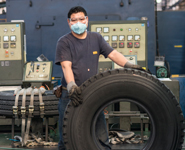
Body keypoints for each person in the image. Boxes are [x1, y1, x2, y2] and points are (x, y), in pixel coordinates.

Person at [55, 6, 144, 150]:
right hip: (70, 94)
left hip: (92, 92)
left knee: (101, 136)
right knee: (67, 138)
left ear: (87, 20)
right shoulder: (64, 42)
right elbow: (66, 66)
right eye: (74, 20)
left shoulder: (96, 38)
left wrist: (129, 65)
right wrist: (71, 85)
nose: (78, 22)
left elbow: (113, 54)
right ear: (69, 22)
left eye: (81, 19)